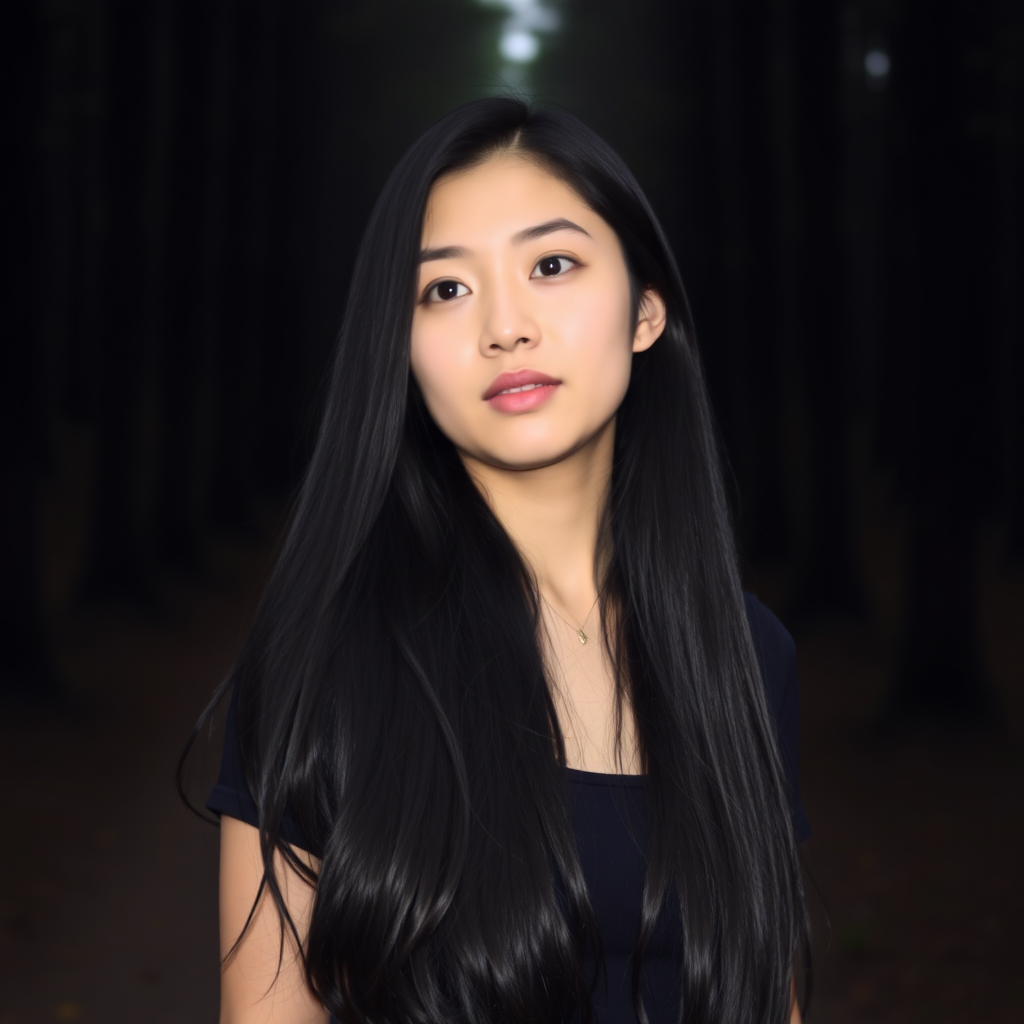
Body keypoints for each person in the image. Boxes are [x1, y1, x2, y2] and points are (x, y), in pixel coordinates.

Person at [192, 97, 811, 1024]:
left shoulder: (748, 654)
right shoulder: (320, 658)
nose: (505, 326)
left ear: (646, 312)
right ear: (401, 353)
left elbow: (774, 999)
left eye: (552, 265)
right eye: (445, 289)